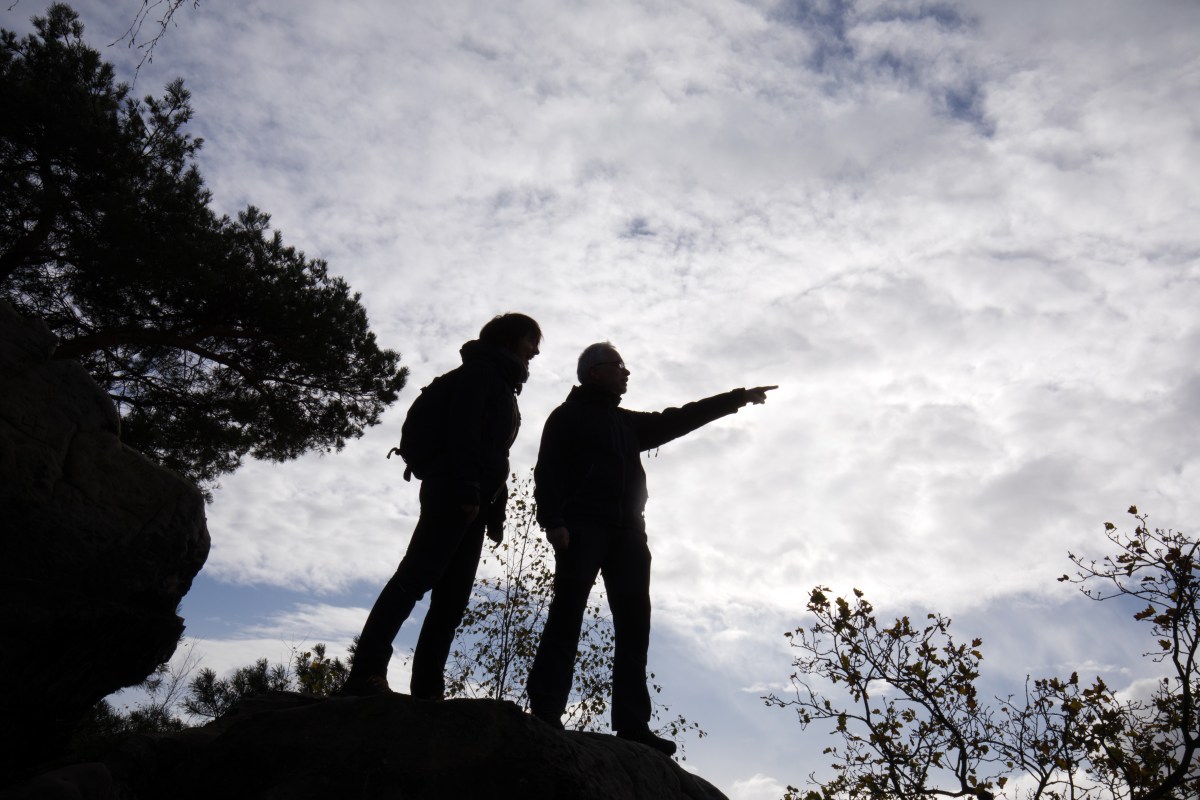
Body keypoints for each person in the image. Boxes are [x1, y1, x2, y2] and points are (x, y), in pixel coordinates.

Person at [526, 341, 775, 754]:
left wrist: (735, 399)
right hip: (582, 528)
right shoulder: (567, 416)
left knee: (634, 626)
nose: (627, 373)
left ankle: (632, 724)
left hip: (628, 535)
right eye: (618, 366)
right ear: (593, 371)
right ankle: (546, 710)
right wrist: (553, 521)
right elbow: (546, 471)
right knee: (566, 616)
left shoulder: (626, 423)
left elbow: (677, 419)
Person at [341, 313, 542, 698]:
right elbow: (462, 433)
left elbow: (493, 453)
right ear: (512, 339)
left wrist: (493, 511)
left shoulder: (501, 385)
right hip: (453, 492)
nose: (535, 350)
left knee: (451, 601)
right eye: (532, 340)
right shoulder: (481, 375)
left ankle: (428, 689)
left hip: (473, 502)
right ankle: (365, 672)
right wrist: (468, 489)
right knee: (414, 579)